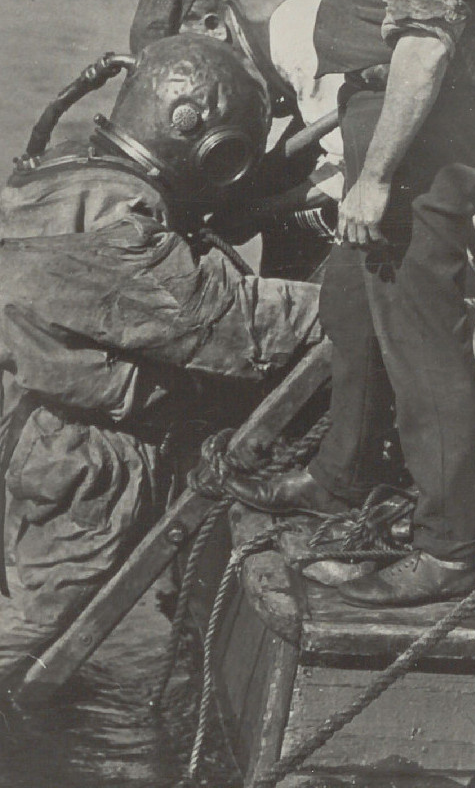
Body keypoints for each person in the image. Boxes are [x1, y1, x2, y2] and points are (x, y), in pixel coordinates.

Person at [224, 0, 475, 607]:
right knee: (354, 297)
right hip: (392, 119)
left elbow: (425, 37)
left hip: (417, 134)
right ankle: (341, 474)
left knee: (423, 338)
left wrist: (377, 174)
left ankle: (453, 545)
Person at [0, 34, 323, 692]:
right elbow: (234, 325)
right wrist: (371, 298)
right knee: (28, 647)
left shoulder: (64, 174)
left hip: (33, 428)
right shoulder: (121, 228)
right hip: (86, 471)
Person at [127, 0, 349, 279]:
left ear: (213, 26)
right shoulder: (239, 12)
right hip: (347, 96)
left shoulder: (296, 39)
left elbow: (354, 165)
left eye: (193, 63)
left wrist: (260, 212)